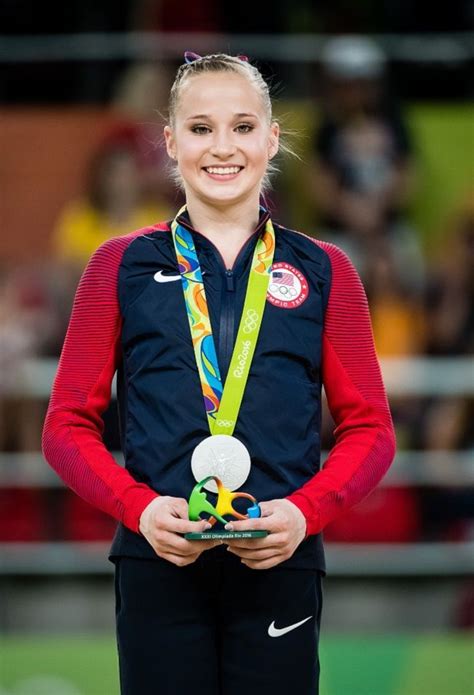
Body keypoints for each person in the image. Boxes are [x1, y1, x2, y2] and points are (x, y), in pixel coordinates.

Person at [42, 52, 396, 695]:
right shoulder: (117, 265)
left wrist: (302, 513)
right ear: (171, 142)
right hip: (158, 562)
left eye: (242, 126)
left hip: (280, 559)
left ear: (271, 138)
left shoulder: (326, 269)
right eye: (201, 128)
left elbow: (372, 428)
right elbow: (65, 426)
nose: (222, 147)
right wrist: (140, 510)